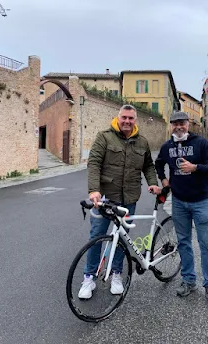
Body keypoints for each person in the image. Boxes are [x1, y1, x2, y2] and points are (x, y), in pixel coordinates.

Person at [78, 104, 161, 299]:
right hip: (106, 197)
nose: (127, 121)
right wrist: (94, 190)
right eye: (124, 117)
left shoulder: (142, 142)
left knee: (122, 238)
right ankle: (89, 277)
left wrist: (152, 183)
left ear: (135, 120)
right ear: (118, 117)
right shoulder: (104, 137)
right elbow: (94, 163)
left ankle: (116, 274)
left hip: (129, 199)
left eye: (131, 118)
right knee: (97, 236)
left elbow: (148, 165)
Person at [155, 111, 208, 309]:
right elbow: (158, 164)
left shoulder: (200, 143)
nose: (178, 127)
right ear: (171, 126)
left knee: (206, 243)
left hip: (201, 201)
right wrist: (165, 181)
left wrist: (196, 168)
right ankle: (189, 281)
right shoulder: (167, 147)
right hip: (179, 202)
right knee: (183, 243)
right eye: (174, 124)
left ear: (188, 124)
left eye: (182, 123)